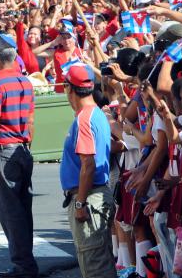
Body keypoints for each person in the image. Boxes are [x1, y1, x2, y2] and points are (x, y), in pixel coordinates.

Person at [0, 37, 37, 278]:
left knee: (11, 211)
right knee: (23, 208)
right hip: (23, 148)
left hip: (5, 150)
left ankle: (23, 266)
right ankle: (26, 263)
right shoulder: (26, 82)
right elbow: (31, 121)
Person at [59, 64, 115, 278]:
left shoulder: (84, 119)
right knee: (99, 263)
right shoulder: (96, 114)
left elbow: (88, 164)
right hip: (96, 195)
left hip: (89, 198)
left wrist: (80, 202)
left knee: (95, 268)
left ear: (69, 88)